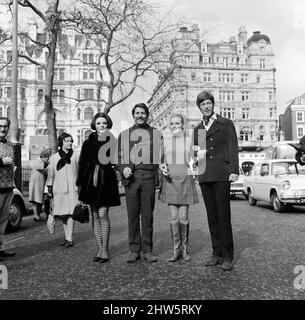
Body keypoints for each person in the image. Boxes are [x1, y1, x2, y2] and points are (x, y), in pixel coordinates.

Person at [193, 91, 239, 271]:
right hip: (205, 175)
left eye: (208, 103)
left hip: (221, 173)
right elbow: (195, 152)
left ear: (213, 104)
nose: (206, 106)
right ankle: (216, 253)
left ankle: (227, 256)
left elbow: (233, 147)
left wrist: (234, 170)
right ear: (199, 107)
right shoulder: (198, 129)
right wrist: (196, 156)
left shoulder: (226, 123)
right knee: (211, 216)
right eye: (203, 104)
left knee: (223, 215)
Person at [116, 103, 162, 263]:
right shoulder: (124, 135)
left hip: (148, 177)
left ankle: (147, 250)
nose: (140, 115)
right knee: (133, 215)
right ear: (133, 115)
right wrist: (123, 170)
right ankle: (134, 249)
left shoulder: (156, 133)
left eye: (143, 113)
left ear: (147, 115)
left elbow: (160, 156)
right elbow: (118, 158)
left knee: (147, 215)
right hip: (132, 179)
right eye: (137, 113)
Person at [76, 113, 120, 263]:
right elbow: (82, 163)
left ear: (108, 125)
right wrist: (79, 184)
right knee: (94, 215)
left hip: (106, 180)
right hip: (90, 181)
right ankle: (99, 248)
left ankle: (105, 250)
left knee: (103, 214)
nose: (102, 126)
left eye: (104, 123)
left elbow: (116, 159)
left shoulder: (112, 140)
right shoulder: (88, 142)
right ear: (94, 125)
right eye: (99, 123)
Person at [159, 113, 198, 262]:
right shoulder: (166, 140)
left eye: (177, 123)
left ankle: (185, 249)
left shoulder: (189, 140)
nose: (175, 126)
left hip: (185, 179)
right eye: (172, 124)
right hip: (170, 180)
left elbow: (195, 159)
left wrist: (195, 162)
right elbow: (160, 161)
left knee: (184, 218)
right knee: (173, 218)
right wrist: (162, 166)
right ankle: (176, 250)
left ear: (183, 124)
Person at [47, 133, 79, 248]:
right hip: (59, 189)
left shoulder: (76, 156)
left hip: (72, 189)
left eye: (71, 141)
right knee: (64, 214)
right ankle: (67, 237)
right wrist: (49, 189)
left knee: (71, 214)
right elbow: (50, 176)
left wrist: (78, 186)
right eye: (66, 141)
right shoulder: (54, 158)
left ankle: (70, 238)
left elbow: (80, 173)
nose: (69, 143)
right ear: (61, 142)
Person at [0, 117, 16, 261]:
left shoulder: (10, 144)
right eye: (0, 126)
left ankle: (1, 248)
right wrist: (1, 161)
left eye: (5, 126)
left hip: (8, 187)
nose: (2, 129)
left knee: (3, 220)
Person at [29, 149, 50, 221]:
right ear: (43, 157)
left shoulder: (43, 163)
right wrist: (46, 165)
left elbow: (46, 171)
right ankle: (36, 215)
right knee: (35, 200)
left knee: (39, 200)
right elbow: (37, 166)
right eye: (47, 157)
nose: (48, 159)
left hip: (40, 184)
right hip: (35, 184)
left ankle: (37, 215)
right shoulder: (37, 162)